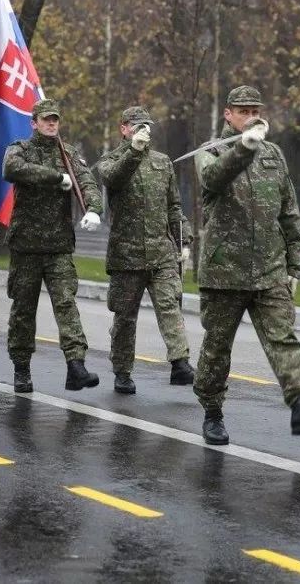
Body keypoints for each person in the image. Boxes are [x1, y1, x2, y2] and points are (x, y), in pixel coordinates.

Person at [193, 85, 300, 444]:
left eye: (255, 109)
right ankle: (212, 411)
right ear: (228, 114)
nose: (251, 115)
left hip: (269, 268)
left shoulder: (273, 154)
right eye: (243, 110)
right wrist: (244, 146)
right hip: (225, 270)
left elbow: (288, 210)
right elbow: (213, 179)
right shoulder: (210, 152)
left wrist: (294, 265)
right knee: (216, 347)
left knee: (283, 339)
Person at [1, 98, 103, 393]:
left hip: (58, 245)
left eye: (55, 119)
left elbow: (88, 183)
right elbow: (11, 169)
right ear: (34, 122)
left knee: (66, 304)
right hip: (26, 246)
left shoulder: (68, 154)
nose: (51, 123)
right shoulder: (20, 148)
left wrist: (94, 208)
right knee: (23, 309)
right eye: (45, 119)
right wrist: (55, 177)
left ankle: (76, 365)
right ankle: (21, 368)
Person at [95, 106, 194, 394]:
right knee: (125, 318)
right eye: (137, 126)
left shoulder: (162, 163)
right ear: (123, 128)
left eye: (146, 126)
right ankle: (122, 371)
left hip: (161, 252)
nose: (143, 131)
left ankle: (180, 363)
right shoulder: (111, 159)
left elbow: (173, 207)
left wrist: (183, 240)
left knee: (169, 306)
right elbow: (112, 178)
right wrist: (134, 151)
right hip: (127, 255)